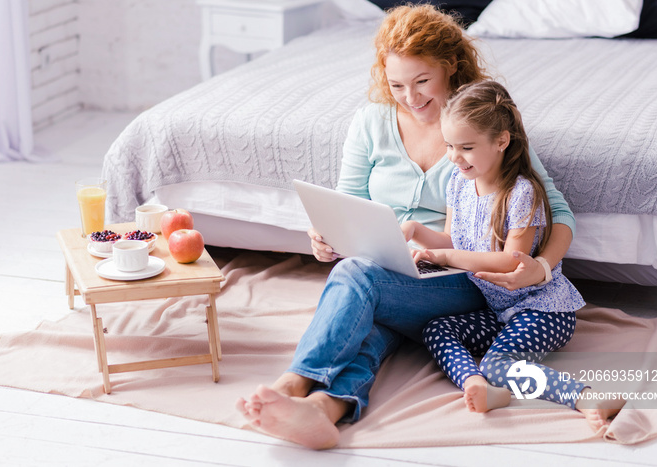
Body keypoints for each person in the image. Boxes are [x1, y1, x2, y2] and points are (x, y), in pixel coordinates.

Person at [237, 5, 576, 449]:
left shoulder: (476, 122)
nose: (410, 97)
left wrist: (542, 269)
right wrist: (326, 237)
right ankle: (326, 409)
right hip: (390, 266)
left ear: (450, 66)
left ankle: (295, 382)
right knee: (374, 313)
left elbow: (560, 214)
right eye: (397, 85)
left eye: (422, 82)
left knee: (358, 279)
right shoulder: (371, 121)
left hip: (457, 274)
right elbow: (347, 202)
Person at [403, 80, 624, 431]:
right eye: (448, 145)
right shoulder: (458, 183)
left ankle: (584, 397)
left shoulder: (522, 193)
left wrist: (444, 257)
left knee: (498, 364)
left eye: (466, 147)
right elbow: (453, 238)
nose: (454, 157)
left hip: (541, 308)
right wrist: (415, 231)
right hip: (497, 310)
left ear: (501, 141)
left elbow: (512, 261)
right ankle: (478, 385)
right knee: (437, 329)